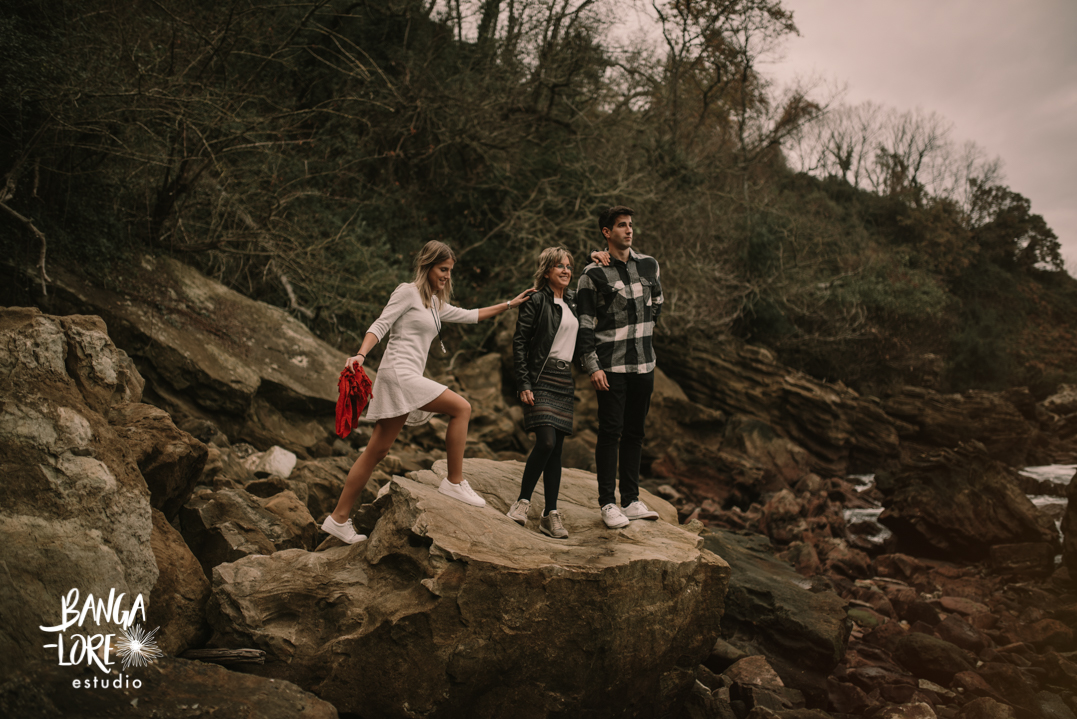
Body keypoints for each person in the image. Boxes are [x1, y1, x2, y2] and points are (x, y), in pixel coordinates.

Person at [321, 240, 535, 544]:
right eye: (442, 269)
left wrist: (510, 304)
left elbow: (471, 315)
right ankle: (454, 481)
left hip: (406, 377)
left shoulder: (435, 304)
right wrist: (360, 354)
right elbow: (380, 325)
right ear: (427, 266)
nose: (447, 276)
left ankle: (338, 519)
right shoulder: (407, 292)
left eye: (450, 270)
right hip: (398, 374)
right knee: (462, 408)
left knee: (376, 452)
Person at [576, 206, 664, 529]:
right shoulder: (592, 274)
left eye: (630, 225)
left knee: (635, 433)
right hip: (611, 367)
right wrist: (592, 365)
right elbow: (585, 324)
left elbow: (657, 305)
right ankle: (608, 503)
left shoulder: (649, 265)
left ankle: (631, 499)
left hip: (644, 364)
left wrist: (642, 335)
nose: (629, 230)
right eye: (622, 225)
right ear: (607, 232)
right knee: (610, 432)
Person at [507, 247, 580, 539]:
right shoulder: (536, 300)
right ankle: (522, 502)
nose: (566, 270)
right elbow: (520, 342)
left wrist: (597, 256)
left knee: (557, 450)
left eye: (569, 266)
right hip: (540, 376)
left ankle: (550, 514)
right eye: (560, 266)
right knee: (546, 442)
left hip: (564, 379)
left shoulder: (574, 301)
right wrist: (524, 383)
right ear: (547, 270)